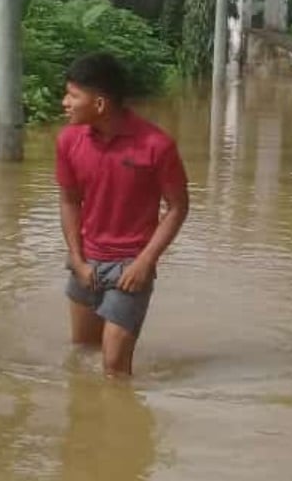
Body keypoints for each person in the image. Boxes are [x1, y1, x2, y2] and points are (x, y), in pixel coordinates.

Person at [55, 52, 189, 376]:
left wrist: (145, 262)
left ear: (100, 104)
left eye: (73, 95)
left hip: (131, 267)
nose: (64, 102)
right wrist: (77, 258)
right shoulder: (68, 141)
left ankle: (121, 423)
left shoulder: (157, 146)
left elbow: (178, 207)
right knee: (83, 353)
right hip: (86, 262)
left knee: (114, 366)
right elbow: (69, 201)